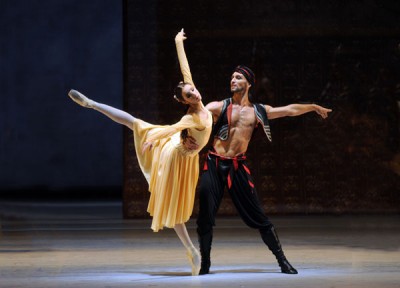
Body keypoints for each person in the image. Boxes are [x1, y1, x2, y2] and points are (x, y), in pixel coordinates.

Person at [67, 29, 212, 276]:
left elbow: (185, 70)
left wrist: (177, 42)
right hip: (175, 156)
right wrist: (152, 139)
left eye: (193, 90)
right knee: (137, 126)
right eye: (190, 94)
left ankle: (190, 250)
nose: (195, 93)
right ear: (184, 101)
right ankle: (92, 104)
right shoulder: (192, 117)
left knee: (136, 124)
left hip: (187, 157)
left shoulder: (196, 99)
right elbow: (175, 128)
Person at [184, 65, 332, 275]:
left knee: (259, 217)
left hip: (237, 167)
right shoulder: (218, 106)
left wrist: (313, 106)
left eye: (238, 77)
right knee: (205, 216)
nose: (232, 80)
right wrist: (183, 136)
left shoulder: (259, 111)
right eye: (231, 78)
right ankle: (205, 264)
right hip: (215, 164)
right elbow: (192, 117)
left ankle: (282, 261)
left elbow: (289, 110)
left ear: (249, 82)